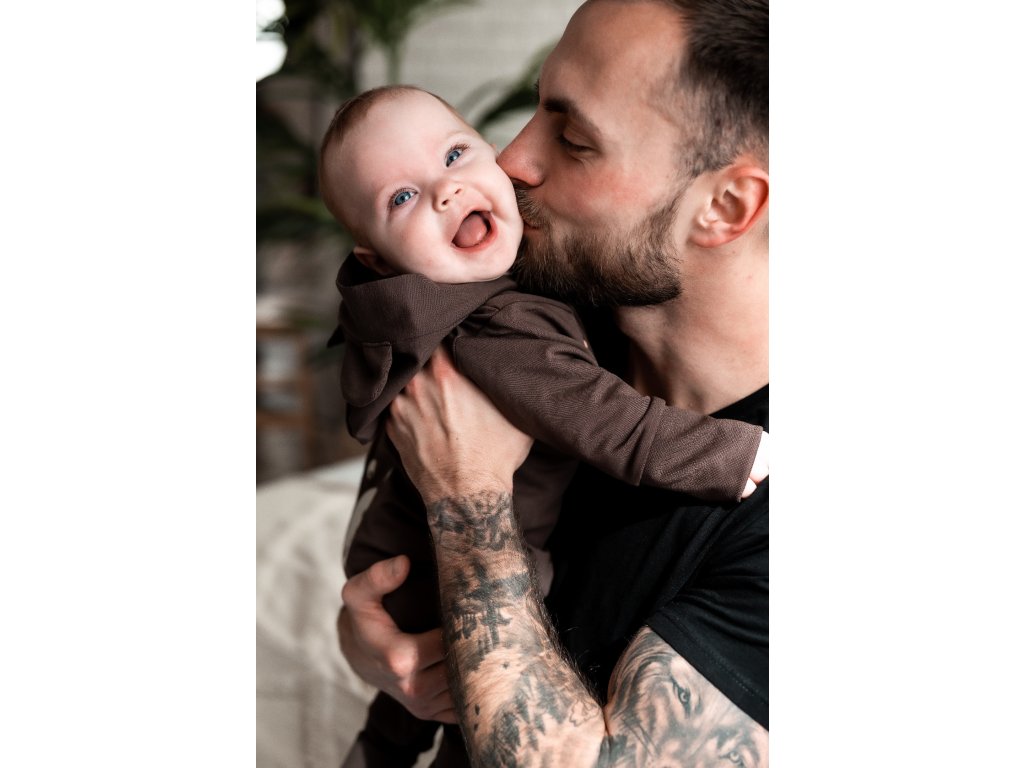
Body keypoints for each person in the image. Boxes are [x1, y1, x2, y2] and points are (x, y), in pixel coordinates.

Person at [318, 83, 770, 767]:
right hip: (416, 574)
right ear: (376, 260)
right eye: (402, 197)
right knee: (410, 717)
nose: (514, 159)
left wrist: (462, 489)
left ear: (727, 204)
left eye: (575, 139)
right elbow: (612, 424)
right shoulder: (502, 319)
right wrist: (363, 637)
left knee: (396, 732)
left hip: (418, 567)